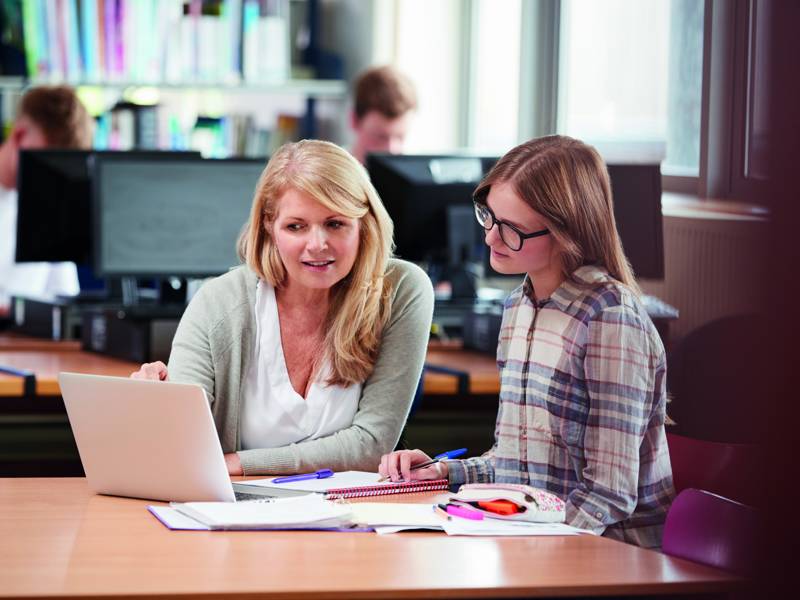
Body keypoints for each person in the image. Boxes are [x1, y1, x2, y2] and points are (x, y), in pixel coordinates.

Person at [379, 135, 674, 548]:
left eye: (513, 230)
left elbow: (608, 496)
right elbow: (518, 463)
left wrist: (525, 546)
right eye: (489, 217)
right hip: (535, 537)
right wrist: (445, 473)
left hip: (610, 554)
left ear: (567, 232)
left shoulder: (609, 320)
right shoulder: (520, 306)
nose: (490, 240)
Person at [131, 139, 434, 476]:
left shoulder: (401, 290)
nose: (317, 244)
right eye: (296, 226)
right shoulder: (219, 303)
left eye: (335, 223)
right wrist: (153, 407)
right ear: (269, 227)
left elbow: (371, 446)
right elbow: (185, 447)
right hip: (234, 513)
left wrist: (240, 463)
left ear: (364, 225)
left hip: (351, 514)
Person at [0, 85, 94, 316]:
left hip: (24, 347)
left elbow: (64, 298)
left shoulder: (49, 208)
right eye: (44, 163)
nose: (51, 178)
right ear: (20, 136)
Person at [349, 65, 417, 165]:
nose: (391, 150)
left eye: (400, 137)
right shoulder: (327, 177)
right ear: (354, 120)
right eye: (380, 137)